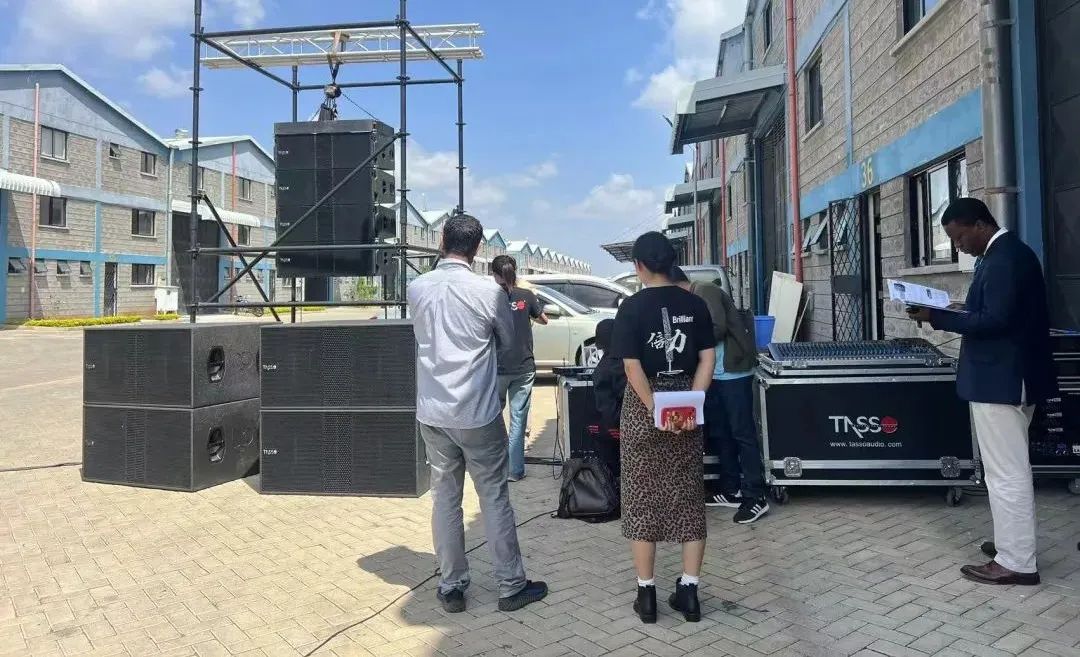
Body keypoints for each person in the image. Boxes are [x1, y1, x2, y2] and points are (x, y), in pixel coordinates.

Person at [907, 197, 1056, 586]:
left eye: (959, 238)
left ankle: (1017, 562)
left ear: (979, 225)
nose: (958, 246)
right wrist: (953, 308)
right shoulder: (1006, 254)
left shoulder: (1004, 259)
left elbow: (995, 321)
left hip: (1002, 380)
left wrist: (938, 317)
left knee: (1006, 474)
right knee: (1007, 471)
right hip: (1006, 377)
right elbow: (995, 311)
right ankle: (1012, 546)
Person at [407, 214, 549, 613]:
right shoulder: (489, 291)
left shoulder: (417, 287)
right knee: (494, 495)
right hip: (477, 412)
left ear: (441, 240)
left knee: (445, 497)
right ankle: (510, 585)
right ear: (478, 248)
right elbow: (507, 341)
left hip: (433, 411)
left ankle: (451, 585)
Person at [609, 232, 716, 624]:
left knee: (641, 497)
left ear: (638, 266)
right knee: (688, 495)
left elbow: (631, 366)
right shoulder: (695, 304)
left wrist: (656, 407)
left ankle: (647, 595)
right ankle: (689, 591)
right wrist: (690, 402)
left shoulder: (631, 308)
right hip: (686, 400)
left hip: (644, 405)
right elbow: (707, 359)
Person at [671, 267, 768, 524]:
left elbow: (717, 327)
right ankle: (731, 489)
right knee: (721, 432)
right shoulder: (693, 297)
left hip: (733, 373)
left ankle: (756, 496)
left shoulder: (705, 291)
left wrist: (686, 341)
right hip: (715, 374)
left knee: (742, 433)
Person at [490, 255, 548, 482]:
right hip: (524, 365)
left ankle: (496, 468)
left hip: (496, 366)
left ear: (494, 274)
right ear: (515, 271)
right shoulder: (526, 295)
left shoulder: (488, 298)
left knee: (493, 417)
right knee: (518, 418)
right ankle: (515, 470)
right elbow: (544, 319)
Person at [591, 318, 624, 478]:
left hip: (612, 427)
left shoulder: (604, 367)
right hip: (625, 423)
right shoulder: (626, 361)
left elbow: (605, 405)